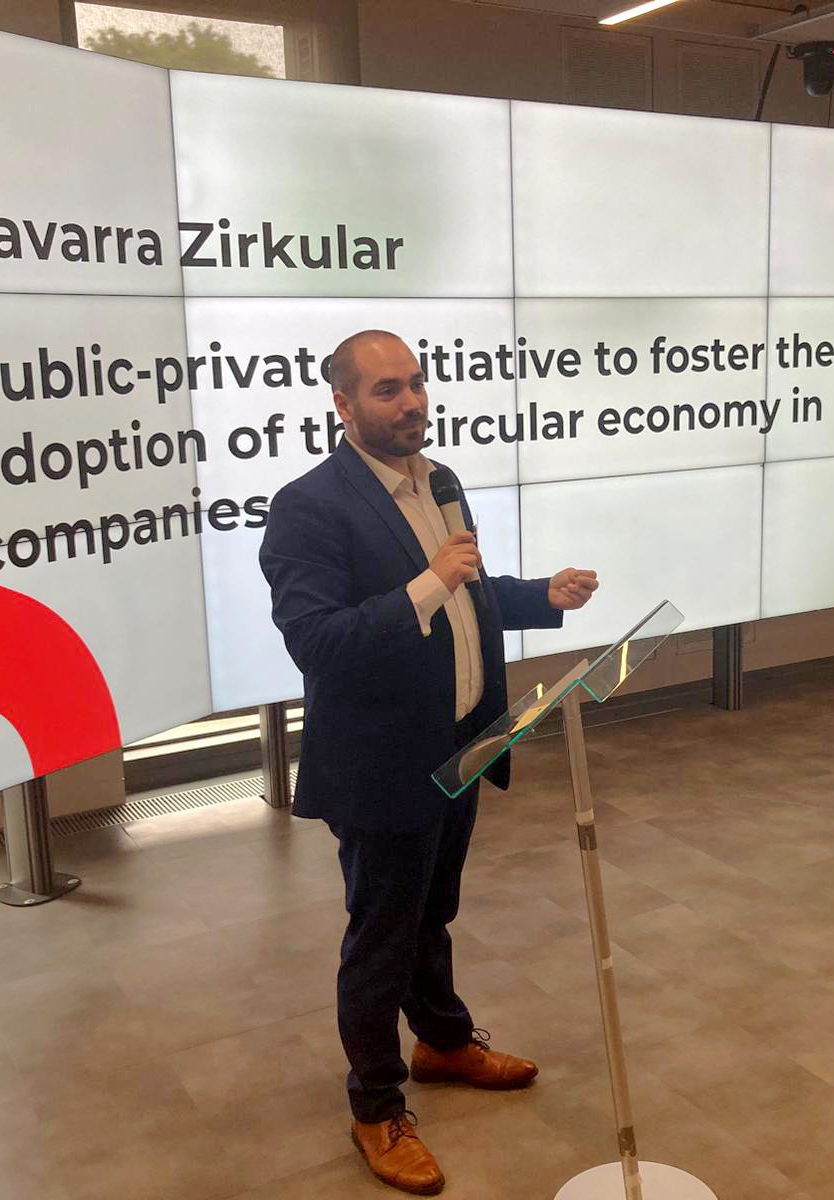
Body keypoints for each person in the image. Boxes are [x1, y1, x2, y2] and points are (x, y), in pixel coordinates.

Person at [259, 329, 599, 1195]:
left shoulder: (439, 482)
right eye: (385, 390)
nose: (409, 402)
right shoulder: (309, 506)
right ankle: (376, 1107)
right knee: (379, 936)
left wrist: (540, 597)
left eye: (415, 383)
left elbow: (469, 592)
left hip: (461, 748)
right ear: (342, 405)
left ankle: (443, 1042)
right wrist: (428, 584)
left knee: (430, 912)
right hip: (380, 767)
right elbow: (318, 642)